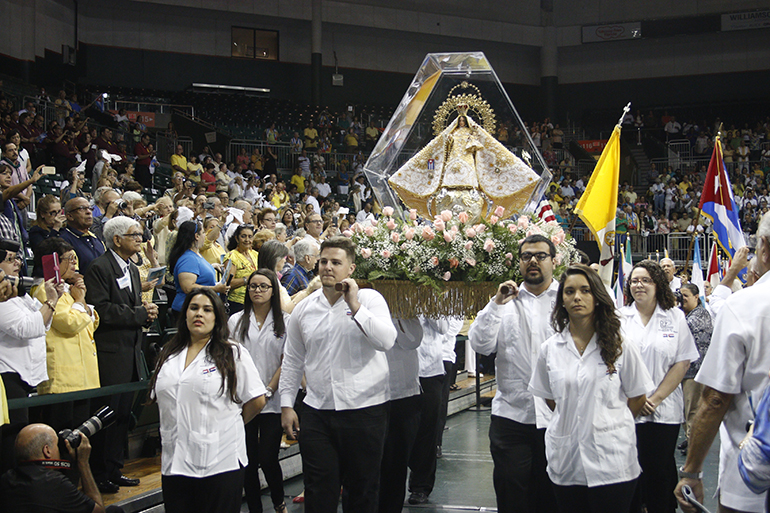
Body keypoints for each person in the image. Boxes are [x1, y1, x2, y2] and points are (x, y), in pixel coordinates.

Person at [279, 236, 397, 513]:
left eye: (335, 262)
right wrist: (286, 404)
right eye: (323, 261)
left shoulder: (370, 299)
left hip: (365, 410)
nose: (327, 267)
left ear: (351, 269)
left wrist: (355, 306)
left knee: (363, 489)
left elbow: (386, 341)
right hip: (318, 410)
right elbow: (293, 359)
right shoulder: (304, 309)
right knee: (319, 488)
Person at [528, 264, 653, 513]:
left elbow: (637, 397)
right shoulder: (550, 349)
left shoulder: (620, 346)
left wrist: (609, 422)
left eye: (585, 291)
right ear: (561, 299)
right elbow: (551, 400)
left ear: (597, 297)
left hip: (613, 461)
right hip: (567, 461)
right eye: (570, 291)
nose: (577, 297)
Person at [675, 213, 770, 513]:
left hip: (751, 482)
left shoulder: (744, 306)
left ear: (764, 247)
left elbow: (716, 399)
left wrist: (691, 471)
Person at [149, 288, 266, 513]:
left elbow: (257, 400)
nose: (199, 314)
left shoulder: (233, 353)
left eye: (207, 309)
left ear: (217, 317)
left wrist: (230, 425)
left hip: (220, 459)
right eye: (194, 308)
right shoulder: (169, 353)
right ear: (185, 314)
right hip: (175, 461)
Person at [468, 234, 560, 513]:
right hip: (512, 415)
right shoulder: (503, 302)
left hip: (558, 416)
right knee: (511, 493)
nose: (533, 261)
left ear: (554, 261)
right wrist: (496, 304)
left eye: (540, 256)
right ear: (518, 263)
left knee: (552, 496)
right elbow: (480, 344)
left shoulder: (568, 298)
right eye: (526, 256)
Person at [84, 217, 159, 493]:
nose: (140, 239)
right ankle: (99, 473)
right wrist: (139, 314)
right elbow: (101, 310)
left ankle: (115, 469)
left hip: (131, 349)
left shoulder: (130, 267)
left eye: (140, 234)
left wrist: (147, 315)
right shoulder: (99, 268)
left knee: (123, 415)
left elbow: (134, 305)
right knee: (106, 414)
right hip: (110, 352)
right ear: (117, 240)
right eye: (134, 235)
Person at [620, 260, 698, 513]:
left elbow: (682, 362)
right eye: (634, 280)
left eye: (645, 280)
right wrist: (637, 399)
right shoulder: (619, 318)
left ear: (657, 285)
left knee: (659, 471)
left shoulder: (674, 317)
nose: (638, 285)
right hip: (628, 409)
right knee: (630, 472)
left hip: (663, 411)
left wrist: (655, 398)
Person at [389, 108, 539, 223]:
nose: (461, 123)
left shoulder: (471, 133)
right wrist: (447, 141)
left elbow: (481, 146)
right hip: (452, 163)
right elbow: (442, 148)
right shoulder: (452, 134)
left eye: (463, 121)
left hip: (468, 163)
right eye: (459, 121)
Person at [0, 238, 64, 474]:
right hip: (8, 377)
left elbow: (42, 325)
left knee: (21, 439)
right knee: (11, 441)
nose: (17, 263)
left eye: (17, 258)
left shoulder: (16, 295)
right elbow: (29, 327)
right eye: (9, 260)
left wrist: (49, 303)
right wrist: (51, 301)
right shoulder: (1, 301)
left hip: (26, 376)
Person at [228, 270, 289, 513]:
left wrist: (269, 390)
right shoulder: (236, 321)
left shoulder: (285, 321)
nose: (257, 290)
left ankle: (278, 502)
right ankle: (255, 508)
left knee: (268, 458)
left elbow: (288, 361)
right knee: (248, 461)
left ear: (273, 290)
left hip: (273, 400)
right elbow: (230, 360)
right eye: (253, 286)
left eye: (263, 286)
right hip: (244, 401)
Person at [32, 237, 100, 432]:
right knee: (63, 436)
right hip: (63, 380)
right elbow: (69, 323)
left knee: (82, 435)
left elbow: (92, 323)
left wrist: (80, 300)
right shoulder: (45, 291)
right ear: (52, 262)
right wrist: (80, 302)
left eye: (74, 258)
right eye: (69, 258)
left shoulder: (69, 290)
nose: (74, 263)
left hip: (83, 376)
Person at [0, 423, 122, 513]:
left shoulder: (5, 480)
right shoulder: (54, 483)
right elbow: (99, 511)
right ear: (47, 450)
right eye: (56, 445)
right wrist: (83, 463)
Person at [678, 283, 713, 455]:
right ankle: (689, 439)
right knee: (686, 410)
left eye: (685, 295)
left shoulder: (699, 316)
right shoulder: (688, 314)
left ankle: (694, 446)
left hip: (695, 371)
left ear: (696, 298)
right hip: (687, 371)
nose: (681, 299)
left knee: (692, 411)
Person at [168, 220, 228, 319]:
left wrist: (210, 267)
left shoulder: (195, 254)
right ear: (196, 236)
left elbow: (197, 270)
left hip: (200, 306)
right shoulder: (188, 258)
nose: (205, 236)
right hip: (188, 310)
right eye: (203, 233)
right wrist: (215, 289)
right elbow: (188, 287)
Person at [60, 197, 106, 273]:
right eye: (82, 208)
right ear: (70, 216)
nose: (88, 212)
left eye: (90, 208)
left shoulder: (97, 239)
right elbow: (71, 275)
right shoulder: (64, 240)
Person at [224, 224, 260, 315]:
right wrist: (247, 279)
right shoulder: (232, 256)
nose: (247, 240)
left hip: (255, 300)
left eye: (250, 237)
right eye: (243, 236)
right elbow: (227, 283)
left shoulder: (255, 254)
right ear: (237, 238)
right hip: (238, 303)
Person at [29, 195, 66, 259]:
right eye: (53, 213)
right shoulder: (36, 231)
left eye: (59, 212)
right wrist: (55, 229)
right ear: (42, 214)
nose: (57, 216)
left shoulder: (64, 229)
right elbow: (43, 252)